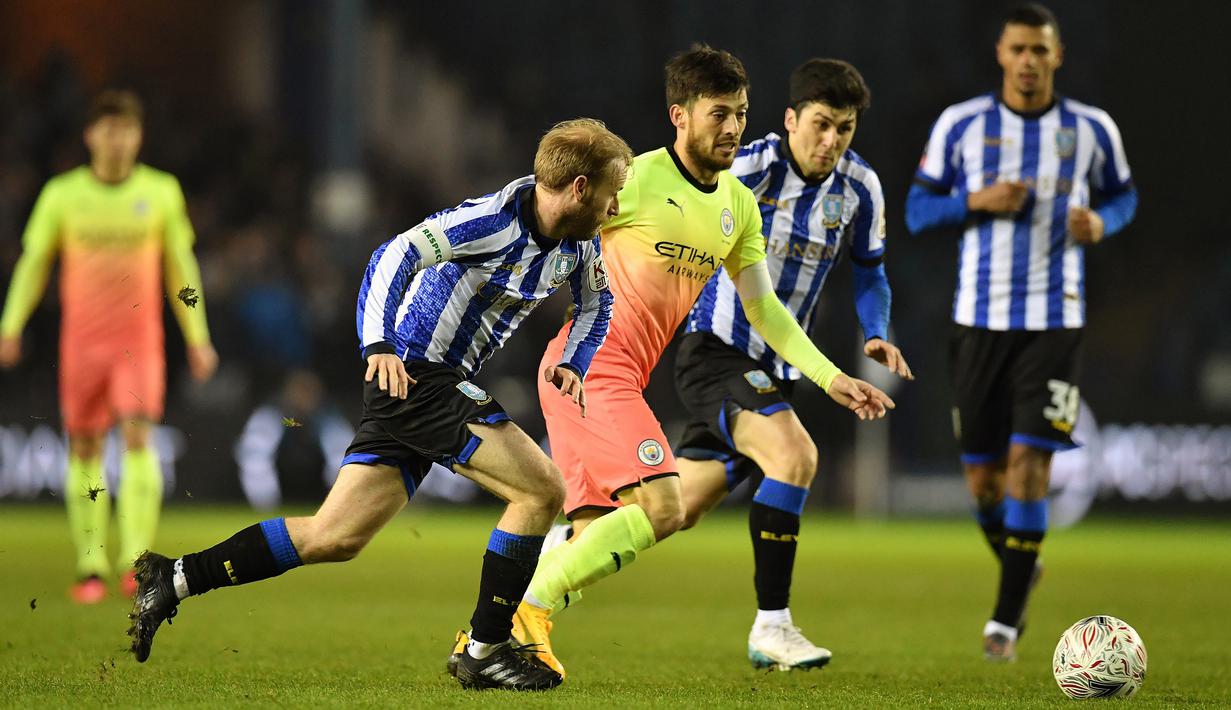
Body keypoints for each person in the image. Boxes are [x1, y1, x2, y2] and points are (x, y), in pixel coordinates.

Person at [126, 118, 630, 691]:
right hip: (416, 374)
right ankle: (485, 649)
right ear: (580, 188)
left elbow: (599, 305)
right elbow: (394, 256)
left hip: (428, 384)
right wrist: (379, 344)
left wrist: (575, 362)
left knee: (333, 536)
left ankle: (174, 578)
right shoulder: (491, 221)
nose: (616, 207)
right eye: (612, 192)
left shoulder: (580, 242)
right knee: (540, 490)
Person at [477, 46, 894, 679]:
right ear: (680, 115)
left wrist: (831, 376)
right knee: (664, 506)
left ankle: (487, 642)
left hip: (616, 376)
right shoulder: (635, 179)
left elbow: (766, 311)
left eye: (741, 113)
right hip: (588, 369)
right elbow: (548, 219)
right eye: (718, 113)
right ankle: (527, 612)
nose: (733, 127)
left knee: (599, 534)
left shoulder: (738, 205)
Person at [904, 3, 1136, 662]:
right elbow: (917, 210)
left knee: (1029, 467)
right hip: (977, 324)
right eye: (1018, 50)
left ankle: (1003, 625)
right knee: (984, 483)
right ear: (1000, 55)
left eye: (1040, 50)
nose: (1029, 61)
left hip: (1054, 322)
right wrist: (974, 201)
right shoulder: (961, 124)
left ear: (1057, 55)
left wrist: (1103, 223)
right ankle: (1020, 565)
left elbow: (1123, 196)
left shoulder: (1091, 128)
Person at [672, 58, 914, 671]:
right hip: (715, 349)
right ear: (790, 119)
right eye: (821, 125)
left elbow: (871, 272)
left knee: (675, 506)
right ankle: (772, 627)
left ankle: (568, 538)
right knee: (795, 455)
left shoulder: (860, 188)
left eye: (845, 129)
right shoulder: (746, 170)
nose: (831, 140)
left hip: (777, 368)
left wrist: (876, 332)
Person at [0, 90, 218, 603]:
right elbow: (34, 264)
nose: (116, 138)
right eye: (108, 128)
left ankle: (135, 561)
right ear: (90, 135)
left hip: (137, 344)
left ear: (138, 136)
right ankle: (90, 563)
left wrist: (198, 336)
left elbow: (181, 268)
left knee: (138, 435)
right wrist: (10, 325)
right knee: (84, 444)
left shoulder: (160, 191)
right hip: (82, 345)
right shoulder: (62, 194)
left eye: (126, 129)